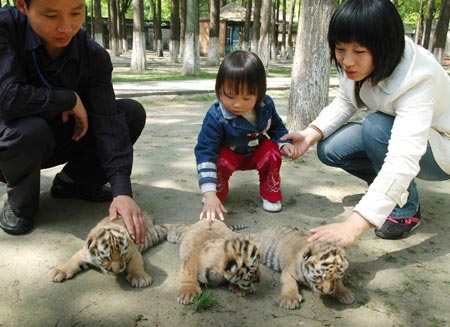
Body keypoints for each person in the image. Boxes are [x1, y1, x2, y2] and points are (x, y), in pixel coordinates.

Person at [282, 0, 450, 247]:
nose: (347, 61)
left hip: (439, 149)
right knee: (330, 147)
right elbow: (346, 101)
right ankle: (385, 191)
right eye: (340, 49)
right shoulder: (353, 64)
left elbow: (404, 157)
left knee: (376, 127)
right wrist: (310, 134)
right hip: (396, 136)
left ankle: (406, 210)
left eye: (359, 52)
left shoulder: (418, 75)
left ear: (385, 47)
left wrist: (355, 224)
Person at [0, 0, 148, 243]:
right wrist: (66, 99)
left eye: (76, 13)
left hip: (58, 139)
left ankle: (74, 183)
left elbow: (108, 122)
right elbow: (6, 97)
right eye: (51, 16)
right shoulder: (5, 28)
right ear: (22, 6)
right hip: (9, 144)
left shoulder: (92, 55)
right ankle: (20, 203)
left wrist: (122, 192)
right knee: (29, 131)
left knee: (130, 113)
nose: (65, 27)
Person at [195, 50, 298, 221]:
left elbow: (277, 128)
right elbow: (206, 152)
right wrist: (209, 192)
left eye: (246, 98)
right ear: (220, 89)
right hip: (228, 155)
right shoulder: (215, 115)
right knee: (218, 164)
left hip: (255, 151)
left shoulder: (266, 105)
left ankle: (270, 191)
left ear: (259, 93)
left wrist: (284, 143)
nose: (237, 104)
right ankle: (216, 192)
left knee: (272, 152)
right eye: (230, 96)